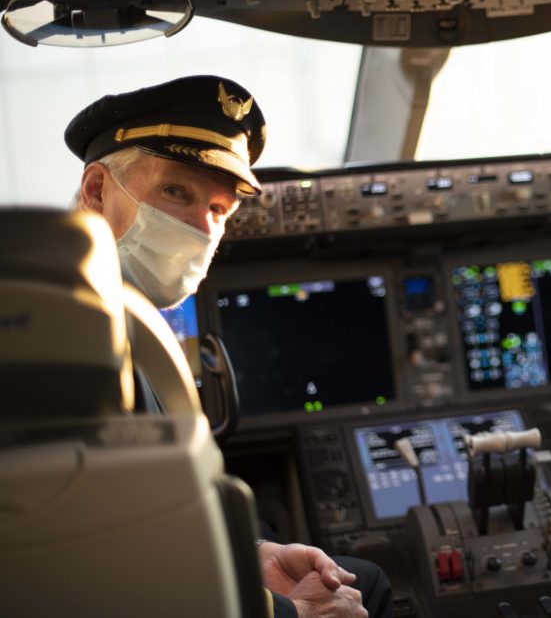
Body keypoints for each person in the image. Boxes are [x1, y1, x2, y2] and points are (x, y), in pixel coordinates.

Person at [65, 75, 393, 618]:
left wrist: (254, 554)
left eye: (219, 210)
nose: (201, 228)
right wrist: (288, 614)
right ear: (97, 189)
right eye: (177, 192)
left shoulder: (106, 310)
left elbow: (151, 518)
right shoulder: (70, 345)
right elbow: (106, 571)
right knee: (369, 588)